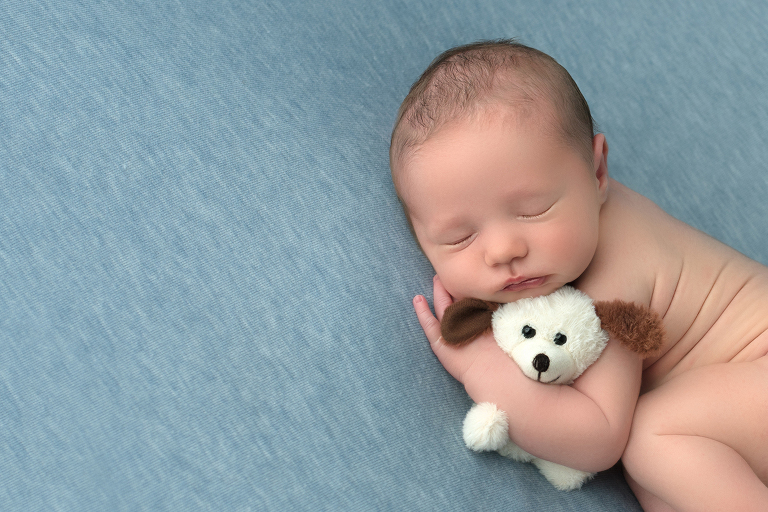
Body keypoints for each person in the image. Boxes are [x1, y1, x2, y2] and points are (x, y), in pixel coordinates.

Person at [389, 39, 768, 512]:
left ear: (597, 170)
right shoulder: (564, 237)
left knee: (653, 438)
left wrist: (480, 369)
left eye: (534, 210)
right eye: (460, 237)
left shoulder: (615, 273)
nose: (505, 250)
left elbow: (598, 437)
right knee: (663, 481)